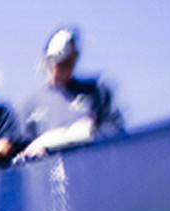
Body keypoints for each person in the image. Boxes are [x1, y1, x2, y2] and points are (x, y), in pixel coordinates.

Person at [21, 27, 125, 158]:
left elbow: (116, 132)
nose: (63, 67)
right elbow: (21, 150)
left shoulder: (97, 91)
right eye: (58, 63)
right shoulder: (30, 104)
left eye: (68, 61)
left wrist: (90, 132)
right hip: (51, 168)